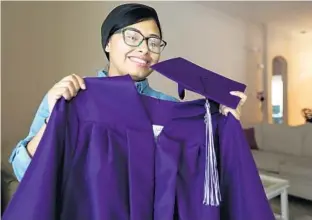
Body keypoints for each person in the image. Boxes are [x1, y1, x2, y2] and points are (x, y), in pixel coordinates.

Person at [9, 3, 247, 182]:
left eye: (154, 42)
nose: (144, 49)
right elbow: (24, 172)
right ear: (107, 43)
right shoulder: (70, 97)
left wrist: (223, 121)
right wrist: (55, 117)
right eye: (132, 37)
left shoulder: (171, 108)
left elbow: (201, 171)